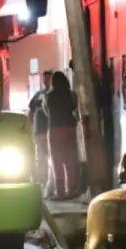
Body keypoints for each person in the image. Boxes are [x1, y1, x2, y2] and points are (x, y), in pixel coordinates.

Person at [44, 70, 80, 200]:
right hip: (70, 128)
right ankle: (71, 190)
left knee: (56, 160)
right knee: (70, 159)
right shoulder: (72, 95)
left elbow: (46, 110)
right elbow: (75, 108)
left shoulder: (48, 96)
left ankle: (60, 193)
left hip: (54, 129)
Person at [27, 70, 53, 195]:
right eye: (45, 79)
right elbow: (31, 111)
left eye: (48, 78)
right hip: (39, 130)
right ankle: (42, 179)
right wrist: (29, 124)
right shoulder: (39, 95)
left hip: (51, 129)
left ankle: (50, 181)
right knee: (41, 156)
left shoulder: (54, 94)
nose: (46, 81)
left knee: (51, 157)